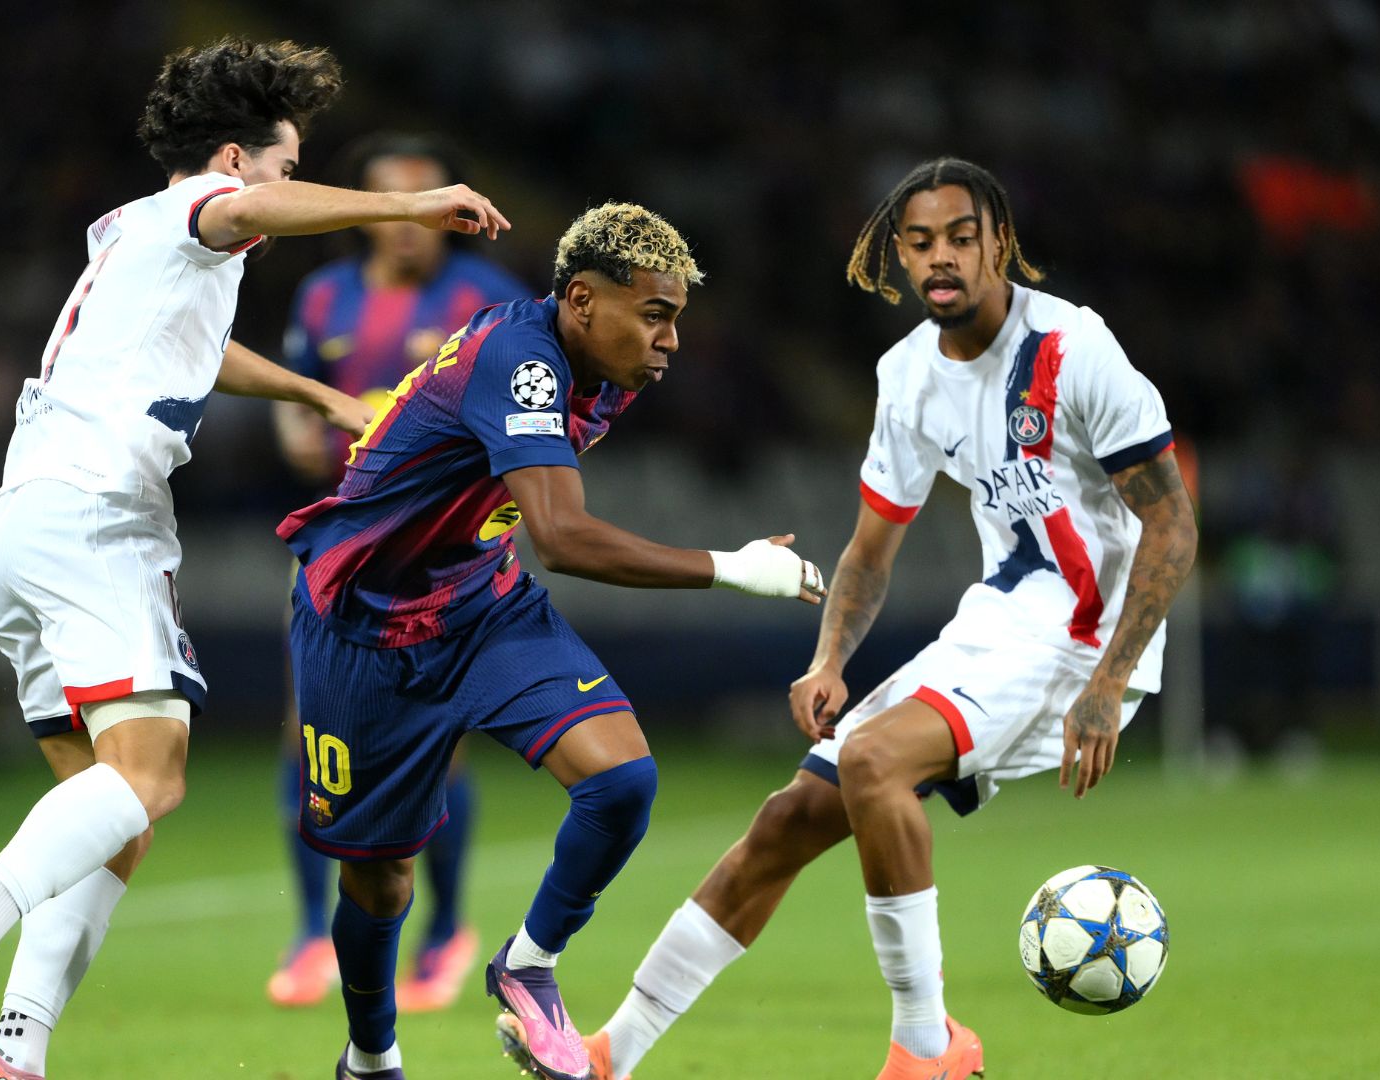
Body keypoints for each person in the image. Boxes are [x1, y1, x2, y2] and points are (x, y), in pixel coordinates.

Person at [0, 37, 513, 1080]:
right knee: (153, 776)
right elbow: (247, 208)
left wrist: (318, 396)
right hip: (97, 519)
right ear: (233, 160)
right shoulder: (200, 208)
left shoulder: (137, 241)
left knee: (113, 814)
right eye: (283, 164)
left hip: (21, 524)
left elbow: (198, 351)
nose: (282, 187)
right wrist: (410, 204)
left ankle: (17, 1049)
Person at [578, 158, 1198, 1080]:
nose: (941, 257)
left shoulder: (1073, 346)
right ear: (898, 256)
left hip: (1082, 639)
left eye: (961, 237)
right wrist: (828, 659)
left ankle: (926, 1047)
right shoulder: (907, 375)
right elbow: (871, 550)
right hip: (998, 623)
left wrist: (1110, 681)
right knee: (790, 818)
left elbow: (1172, 522)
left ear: (998, 244)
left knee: (873, 762)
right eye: (920, 241)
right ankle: (610, 1054)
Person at [278, 201, 827, 1080]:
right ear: (581, 299)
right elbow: (564, 538)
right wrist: (733, 567)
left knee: (622, 780)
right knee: (379, 879)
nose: (670, 341)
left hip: (478, 603)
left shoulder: (603, 370)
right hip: (362, 625)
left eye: (675, 318)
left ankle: (528, 964)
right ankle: (371, 1058)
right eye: (654, 314)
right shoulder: (522, 361)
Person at [268, 133, 529, 1013]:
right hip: (342, 547)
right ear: (369, 208)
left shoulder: (488, 297)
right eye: (394, 200)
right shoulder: (324, 294)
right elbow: (296, 388)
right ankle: (311, 932)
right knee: (308, 736)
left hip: (446, 554)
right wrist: (295, 432)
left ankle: (446, 930)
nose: (411, 223)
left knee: (435, 745)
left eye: (428, 202)